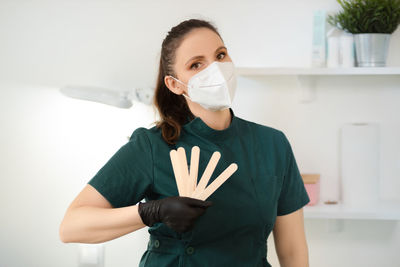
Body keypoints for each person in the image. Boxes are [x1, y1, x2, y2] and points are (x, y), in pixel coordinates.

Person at [59, 18, 310, 267]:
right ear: (174, 84)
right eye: (196, 64)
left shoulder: (273, 144)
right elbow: (71, 227)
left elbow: (292, 251)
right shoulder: (153, 146)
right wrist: (153, 212)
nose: (215, 70)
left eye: (220, 55)